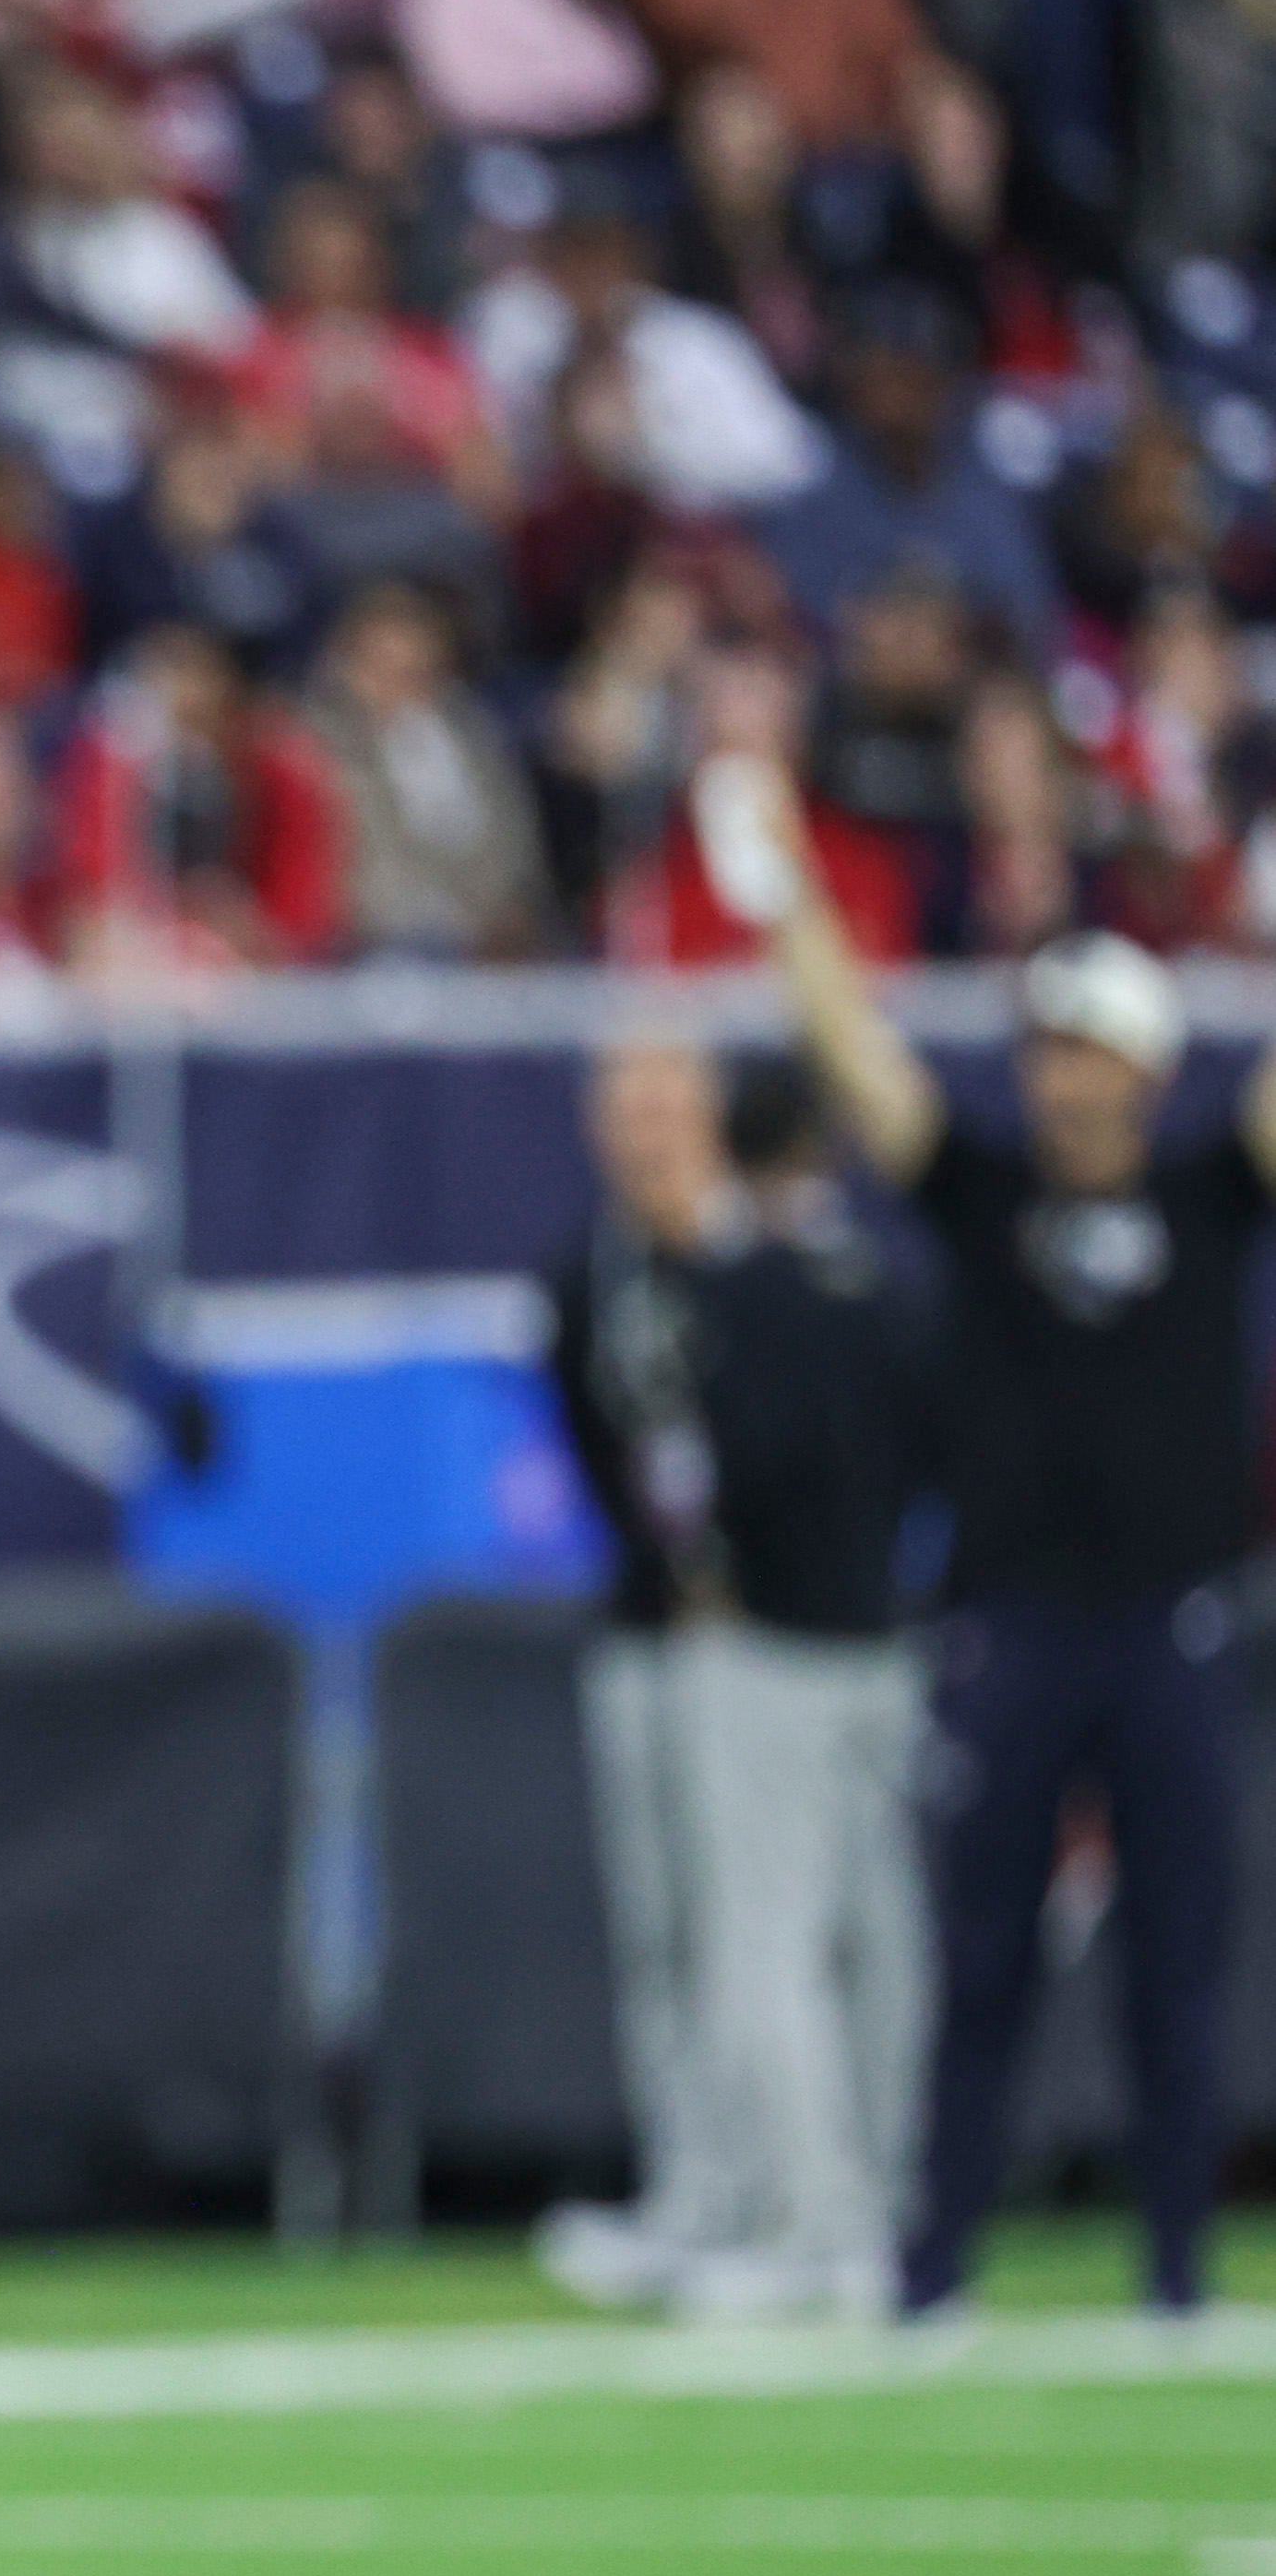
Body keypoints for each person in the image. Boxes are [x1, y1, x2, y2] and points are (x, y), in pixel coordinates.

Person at [744, 762, 1270, 2317]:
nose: (1063, 1079)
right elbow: (856, 1052)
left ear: (1150, 1068)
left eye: (1092, 1050)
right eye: (1047, 1050)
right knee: (979, 1962)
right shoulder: (978, 1197)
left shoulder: (1216, 1197)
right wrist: (786, 887)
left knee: (1177, 1969)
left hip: (1175, 1619)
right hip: (1014, 1621)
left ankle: (1175, 2272)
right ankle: (937, 2265)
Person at [664, 1055, 930, 2321]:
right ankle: (888, 2193)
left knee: (768, 1944)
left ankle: (819, 2215)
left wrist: (712, 1565)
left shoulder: (738, 1290)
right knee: (883, 1931)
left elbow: (727, 1462)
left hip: (774, 1640)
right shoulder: (890, 1279)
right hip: (888, 1634)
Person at [536, 1036, 736, 2312]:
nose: (647, 1132)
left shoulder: (762, 1262)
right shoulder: (585, 1278)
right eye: (627, 1110)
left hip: (769, 1635)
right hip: (646, 1628)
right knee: (664, 1929)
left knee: (764, 1936)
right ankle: (693, 2188)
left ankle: (808, 2188)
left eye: (670, 1104)